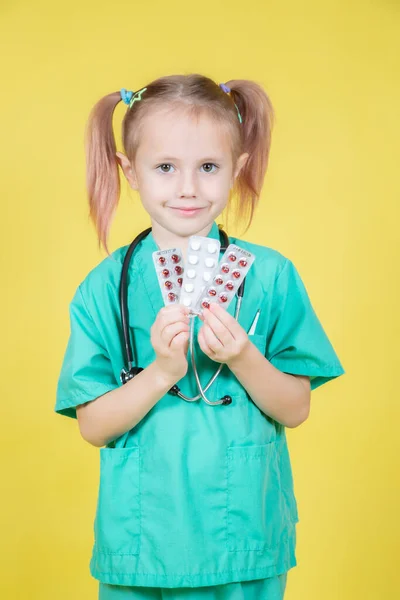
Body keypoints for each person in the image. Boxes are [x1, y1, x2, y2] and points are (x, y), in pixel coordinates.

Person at [54, 73, 345, 600]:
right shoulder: (103, 289)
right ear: (131, 172)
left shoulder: (270, 276)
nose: (188, 187)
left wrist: (243, 357)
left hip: (242, 542)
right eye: (165, 167)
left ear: (236, 169)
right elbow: (93, 426)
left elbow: (295, 407)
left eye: (208, 167)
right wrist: (163, 371)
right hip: (143, 546)